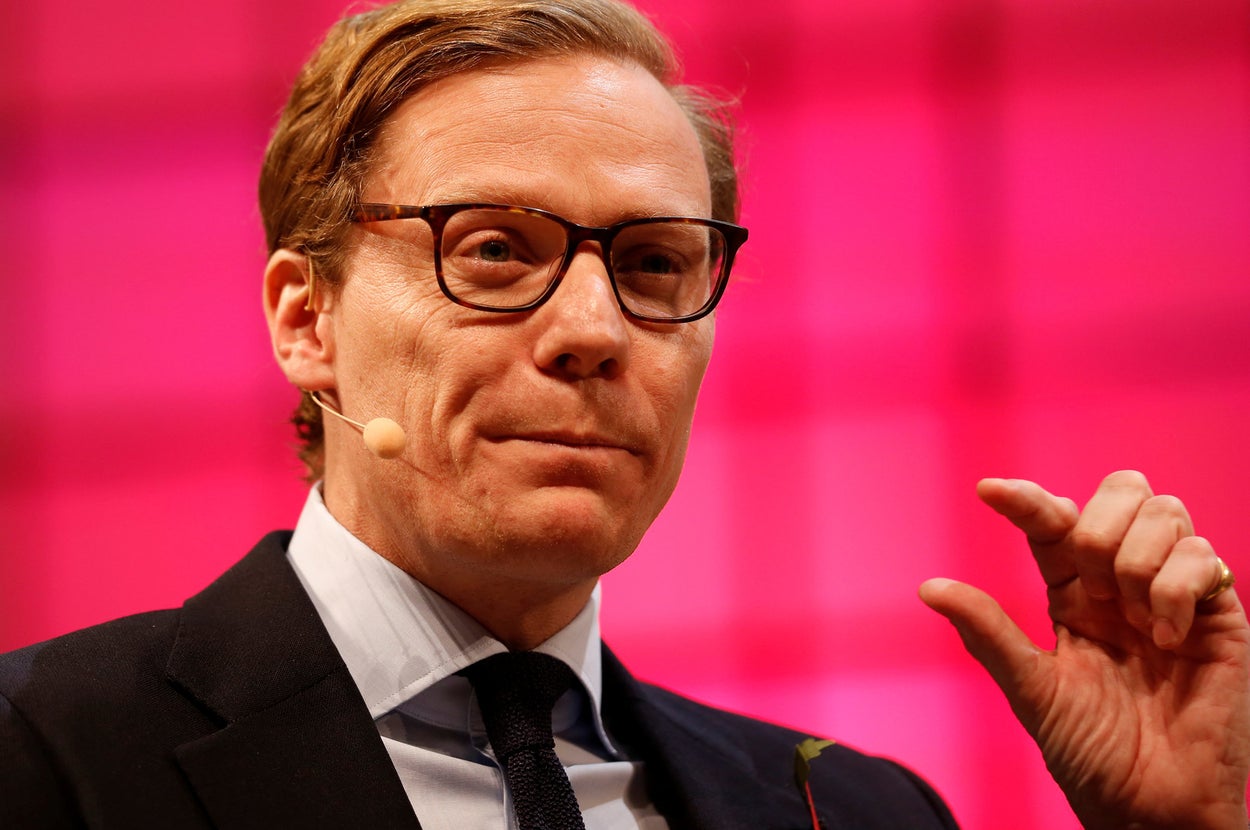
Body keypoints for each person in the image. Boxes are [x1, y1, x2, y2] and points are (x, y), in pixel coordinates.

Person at [1, 0, 1246, 827]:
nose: (593, 329)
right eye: (493, 247)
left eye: (653, 263)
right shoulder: (40, 754)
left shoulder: (857, 812)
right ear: (306, 318)